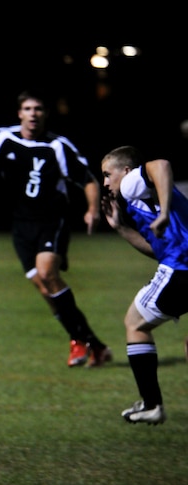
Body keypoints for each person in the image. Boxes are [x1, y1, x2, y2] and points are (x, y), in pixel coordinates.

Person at [0, 90, 113, 368]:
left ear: (45, 114)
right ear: (19, 113)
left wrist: (92, 210)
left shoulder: (58, 146)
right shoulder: (4, 138)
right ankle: (94, 345)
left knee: (48, 272)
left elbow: (87, 179)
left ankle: (78, 343)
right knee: (43, 288)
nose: (33, 114)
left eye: (38, 109)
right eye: (28, 108)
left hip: (53, 220)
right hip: (21, 224)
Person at [99, 145, 188, 425]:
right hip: (180, 262)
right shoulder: (138, 201)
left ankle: (152, 405)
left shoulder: (130, 184)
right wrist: (121, 229)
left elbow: (161, 164)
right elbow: (156, 250)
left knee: (135, 323)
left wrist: (162, 216)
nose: (104, 182)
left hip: (183, 268)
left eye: (106, 174)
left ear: (125, 171)